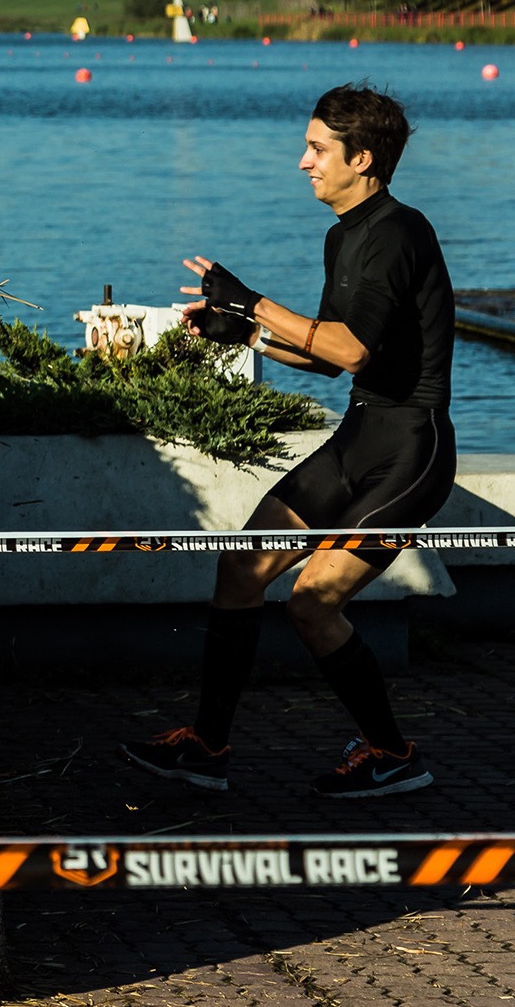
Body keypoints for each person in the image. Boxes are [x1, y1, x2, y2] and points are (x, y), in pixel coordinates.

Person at [122, 83, 455, 798]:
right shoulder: (344, 234)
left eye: (317, 149)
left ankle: (394, 753)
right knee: (240, 566)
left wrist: (256, 302)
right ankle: (208, 747)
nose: (303, 161)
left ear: (361, 158)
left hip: (410, 453)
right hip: (359, 437)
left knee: (310, 600)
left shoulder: (401, 232)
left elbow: (355, 350)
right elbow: (328, 351)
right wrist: (244, 333)